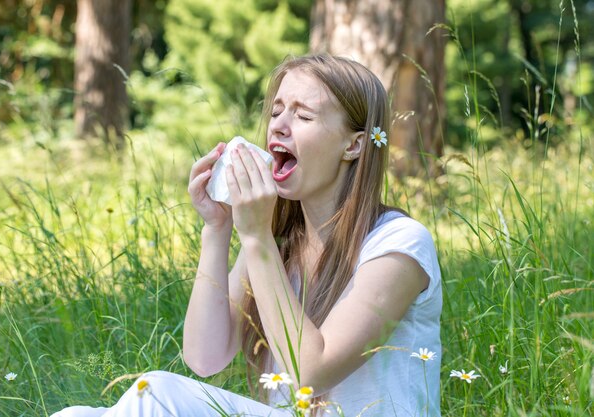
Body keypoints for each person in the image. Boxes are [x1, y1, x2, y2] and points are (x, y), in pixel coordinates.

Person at [52, 54, 442, 417]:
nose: (279, 125)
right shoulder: (282, 243)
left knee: (153, 393)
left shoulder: (399, 244)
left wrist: (256, 238)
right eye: (276, 111)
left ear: (354, 145)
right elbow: (205, 358)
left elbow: (311, 372)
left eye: (303, 116)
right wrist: (217, 228)